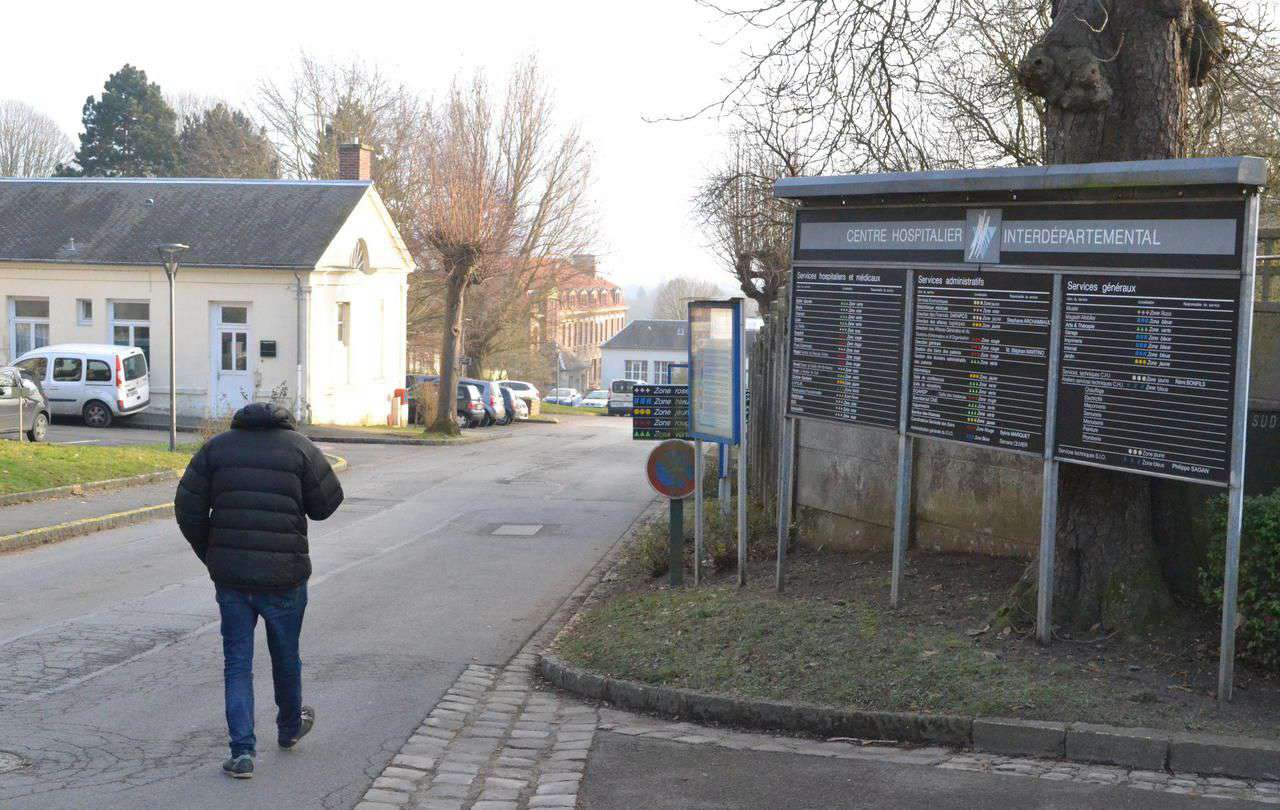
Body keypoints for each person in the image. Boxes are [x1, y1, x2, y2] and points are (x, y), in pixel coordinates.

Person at [174, 402, 344, 779]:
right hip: (285, 576)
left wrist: (213, 554)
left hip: (232, 579)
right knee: (286, 656)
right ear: (283, 421)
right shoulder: (299, 448)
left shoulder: (216, 449)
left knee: (237, 663)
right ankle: (288, 728)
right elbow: (327, 504)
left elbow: (186, 507)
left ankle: (242, 751)